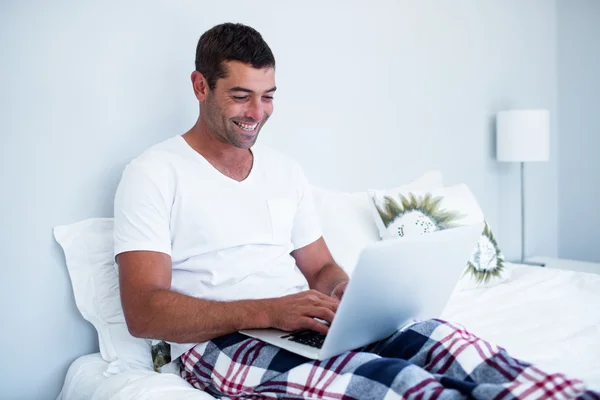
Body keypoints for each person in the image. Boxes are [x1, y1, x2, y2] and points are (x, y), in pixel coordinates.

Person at [113, 22, 598, 400]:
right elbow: (144, 311)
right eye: (240, 96)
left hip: (300, 324)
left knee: (452, 345)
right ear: (200, 86)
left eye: (268, 96)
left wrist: (347, 294)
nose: (257, 113)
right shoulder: (154, 172)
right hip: (221, 345)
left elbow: (319, 267)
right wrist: (270, 310)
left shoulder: (284, 170)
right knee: (396, 384)